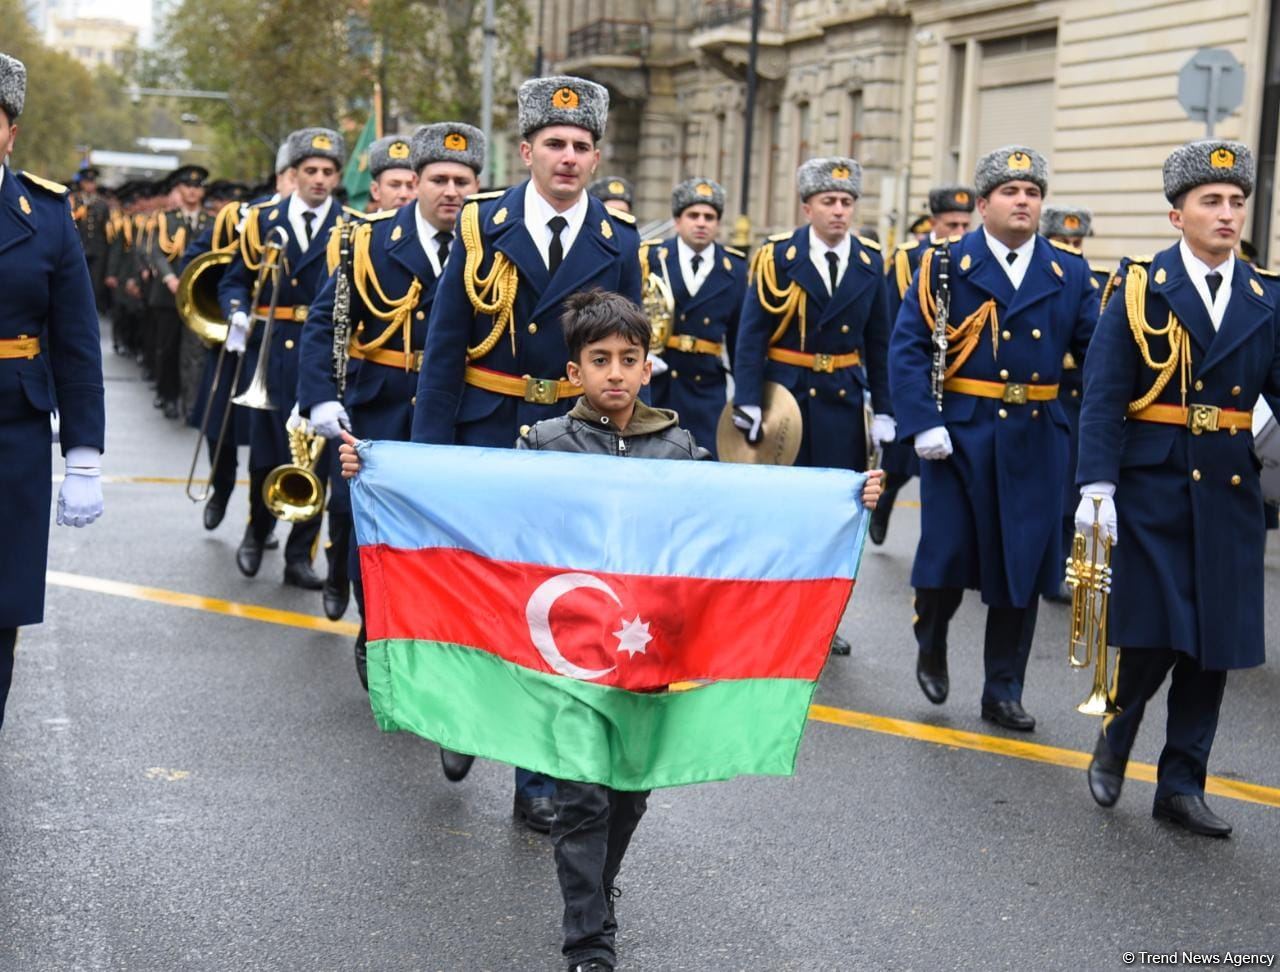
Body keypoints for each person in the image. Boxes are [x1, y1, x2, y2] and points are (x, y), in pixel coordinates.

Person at [340, 289, 883, 971]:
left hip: (648, 656)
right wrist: (380, 472)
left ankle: (597, 890)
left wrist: (843, 498)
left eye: (629, 359)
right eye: (600, 360)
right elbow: (479, 508)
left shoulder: (680, 450)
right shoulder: (543, 445)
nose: (616, 373)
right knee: (582, 797)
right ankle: (588, 938)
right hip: (567, 659)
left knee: (628, 792)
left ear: (648, 367)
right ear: (575, 372)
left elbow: (738, 518)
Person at [410, 74, 642, 833]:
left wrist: (629, 449)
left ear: (596, 158)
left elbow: (626, 359)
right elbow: (445, 346)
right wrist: (430, 459)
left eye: (581, 146)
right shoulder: (482, 225)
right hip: (488, 429)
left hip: (573, 442)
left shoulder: (618, 240)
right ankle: (462, 717)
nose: (568, 157)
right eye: (554, 144)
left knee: (553, 606)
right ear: (527, 150)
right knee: (481, 593)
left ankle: (536, 777)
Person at [1077, 140, 1280, 837]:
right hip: (1154, 485)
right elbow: (1103, 396)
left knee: (1213, 642)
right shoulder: (1140, 288)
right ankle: (1116, 734)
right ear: (1177, 215)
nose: (1227, 214)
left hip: (1229, 487)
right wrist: (1096, 486)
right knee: (1157, 630)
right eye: (1211, 201)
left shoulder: (1266, 295)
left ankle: (1182, 784)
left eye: (1236, 202)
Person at [888, 146, 1098, 731]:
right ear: (984, 205)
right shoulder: (945, 264)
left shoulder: (1068, 271)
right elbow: (908, 348)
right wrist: (922, 422)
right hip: (961, 434)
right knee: (946, 556)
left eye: (1032, 192)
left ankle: (1003, 690)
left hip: (1036, 437)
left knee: (1020, 570)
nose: (1023, 201)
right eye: (1011, 192)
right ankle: (931, 636)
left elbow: (1098, 356)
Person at [299, 122, 484, 682]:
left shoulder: (489, 242)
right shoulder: (371, 241)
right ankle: (374, 629)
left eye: (462, 181)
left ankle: (427, 639)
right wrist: (320, 398)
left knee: (442, 537)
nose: (451, 191)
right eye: (439, 180)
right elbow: (323, 323)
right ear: (417, 182)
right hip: (383, 407)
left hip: (459, 412)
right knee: (372, 533)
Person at [732, 156, 894, 654]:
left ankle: (823, 621)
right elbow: (751, 334)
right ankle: (774, 615)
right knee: (782, 513)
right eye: (829, 201)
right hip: (788, 400)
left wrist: (886, 409)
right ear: (807, 207)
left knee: (833, 517)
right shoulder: (777, 257)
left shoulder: (870, 261)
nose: (839, 211)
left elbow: (879, 342)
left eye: (847, 202)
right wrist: (748, 400)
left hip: (842, 401)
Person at [0, 52, 106, 730]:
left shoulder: (44, 214)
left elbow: (75, 340)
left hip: (11, 431)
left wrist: (84, 456)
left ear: (10, 132)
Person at [219, 127, 355, 589]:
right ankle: (256, 532)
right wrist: (237, 313)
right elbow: (235, 279)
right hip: (271, 348)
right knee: (266, 453)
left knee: (315, 455)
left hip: (322, 355)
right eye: (310, 170)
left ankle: (300, 555)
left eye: (328, 171)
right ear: (293, 173)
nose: (319, 179)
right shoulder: (262, 219)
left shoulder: (352, 225)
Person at [872, 184, 975, 544]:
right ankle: (885, 498)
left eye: (965, 225)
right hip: (917, 371)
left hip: (957, 375)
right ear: (934, 223)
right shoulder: (907, 258)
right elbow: (891, 322)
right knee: (901, 458)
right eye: (952, 225)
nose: (959, 232)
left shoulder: (972, 257)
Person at [642, 177, 746, 459]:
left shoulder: (734, 268)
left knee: (704, 463)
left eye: (709, 217)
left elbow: (740, 340)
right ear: (677, 221)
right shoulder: (651, 257)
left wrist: (746, 398)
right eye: (693, 215)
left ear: (718, 223)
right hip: (659, 383)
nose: (701, 223)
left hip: (706, 388)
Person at [1039, 204, 1108, 601]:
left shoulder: (1097, 283)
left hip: (1081, 402)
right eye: (1062, 242)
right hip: (1048, 398)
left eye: (1076, 242)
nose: (1071, 249)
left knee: (1071, 494)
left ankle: (1061, 569)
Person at [146, 164, 209, 419]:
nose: (192, 191)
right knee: (168, 348)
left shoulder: (211, 221)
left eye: (197, 186)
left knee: (196, 352)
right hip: (168, 295)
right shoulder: (166, 219)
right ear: (179, 189)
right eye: (187, 186)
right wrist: (169, 278)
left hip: (198, 297)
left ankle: (192, 402)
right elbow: (156, 252)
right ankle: (168, 396)